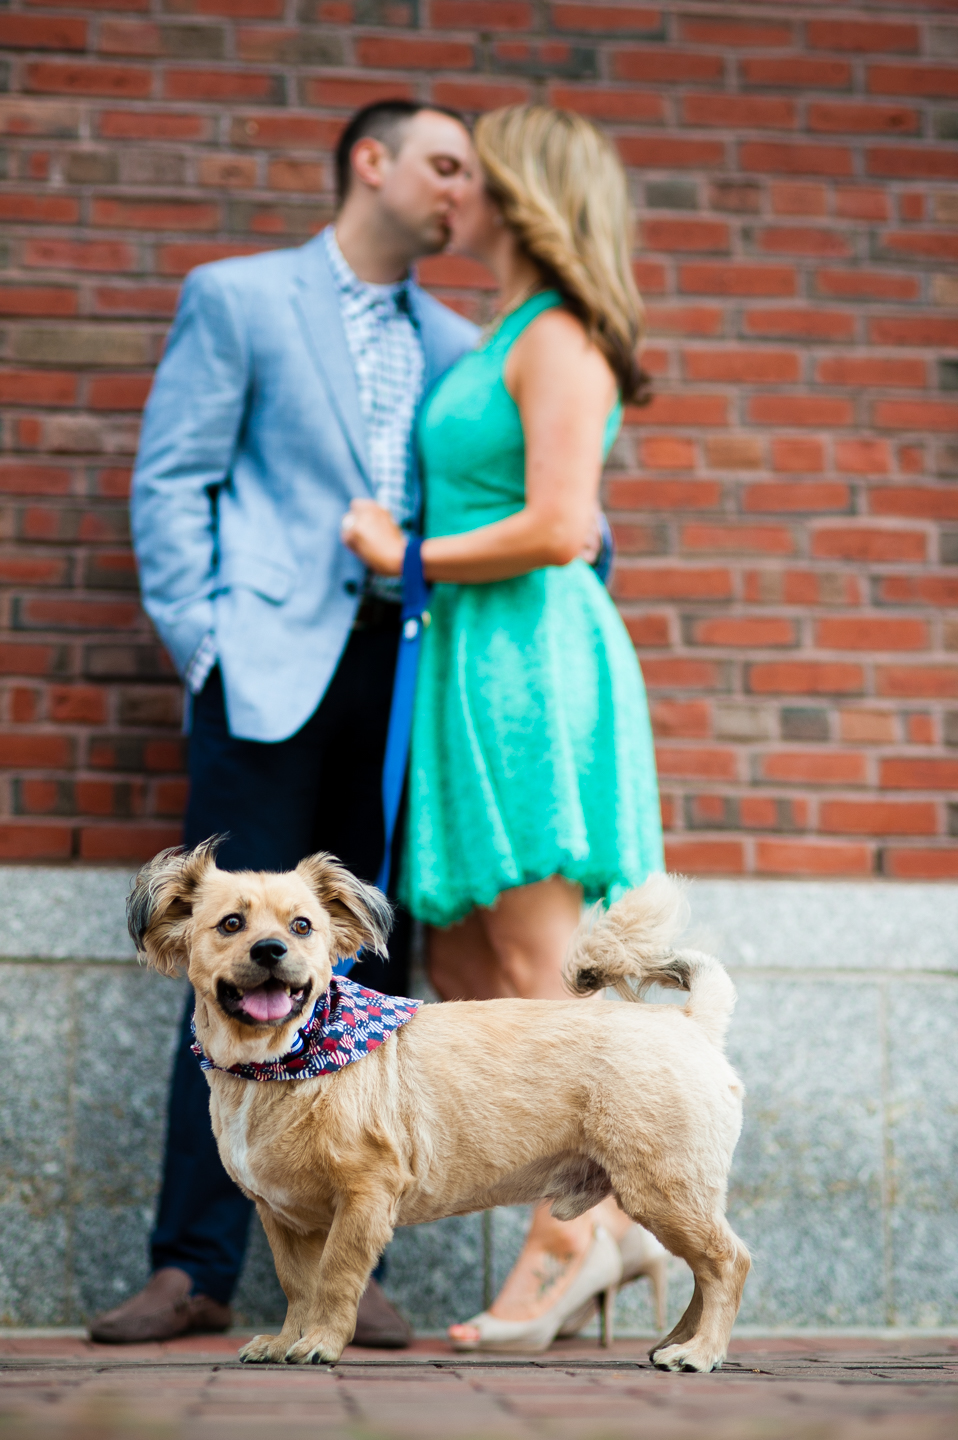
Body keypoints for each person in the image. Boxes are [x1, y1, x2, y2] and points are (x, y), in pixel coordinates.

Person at [89, 100, 480, 1347]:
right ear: (372, 163)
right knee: (228, 948)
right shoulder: (240, 296)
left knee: (363, 953)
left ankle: (341, 1274)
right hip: (260, 671)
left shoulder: (465, 340)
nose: (460, 193)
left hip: (406, 672)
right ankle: (192, 1267)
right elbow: (174, 477)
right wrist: (206, 642)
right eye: (443, 165)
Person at [342, 104, 667, 1353]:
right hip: (472, 658)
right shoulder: (507, 332)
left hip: (530, 660)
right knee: (472, 975)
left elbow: (563, 526)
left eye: (476, 173)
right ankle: (614, 1225)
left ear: (523, 193)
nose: (456, 189)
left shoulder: (562, 340)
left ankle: (572, 1243)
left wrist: (401, 552)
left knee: (544, 972)